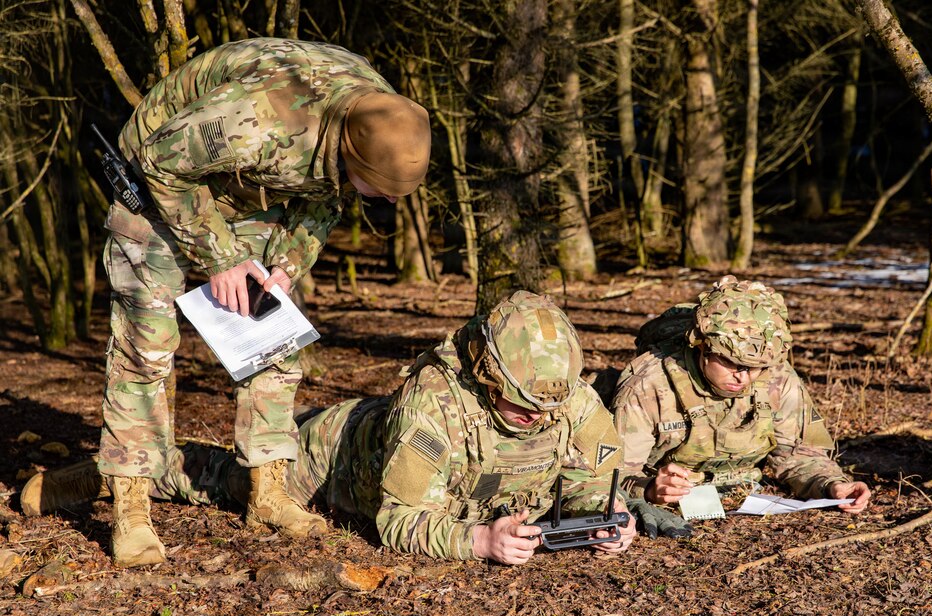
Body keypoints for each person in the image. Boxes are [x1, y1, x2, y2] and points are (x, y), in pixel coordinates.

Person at [93, 37, 431, 568]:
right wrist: (222, 258)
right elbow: (162, 162)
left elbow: (328, 194)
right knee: (146, 347)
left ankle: (268, 491)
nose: (389, 202)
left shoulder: (384, 114)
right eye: (383, 190)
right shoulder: (259, 121)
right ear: (350, 151)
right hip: (159, 177)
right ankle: (131, 507)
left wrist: (287, 265)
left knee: (273, 333)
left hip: (244, 185)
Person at [25, 292, 636, 564]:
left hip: (408, 461)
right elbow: (399, 521)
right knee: (222, 478)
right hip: (332, 459)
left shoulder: (570, 399)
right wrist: (477, 542)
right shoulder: (434, 406)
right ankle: (108, 476)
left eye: (546, 409)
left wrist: (608, 520)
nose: (537, 419)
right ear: (486, 374)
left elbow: (594, 479)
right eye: (520, 405)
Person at [611, 276, 870, 534]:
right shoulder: (650, 385)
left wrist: (832, 485)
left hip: (746, 497)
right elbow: (610, 475)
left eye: (755, 367)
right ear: (703, 347)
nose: (743, 377)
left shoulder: (777, 378)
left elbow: (799, 455)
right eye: (731, 363)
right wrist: (649, 489)